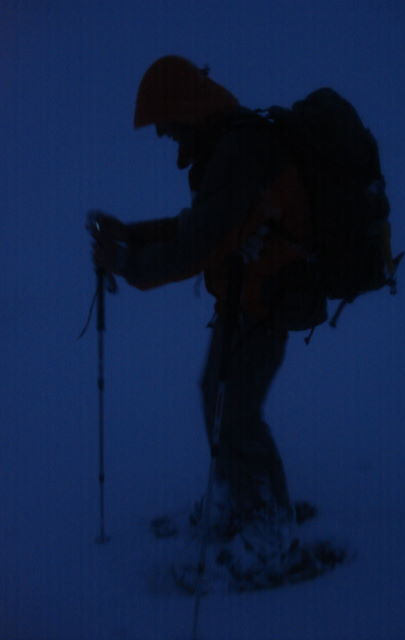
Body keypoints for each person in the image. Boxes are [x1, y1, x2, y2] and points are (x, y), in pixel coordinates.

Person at [89, 55, 324, 581]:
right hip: (244, 295)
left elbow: (194, 249)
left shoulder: (240, 149)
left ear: (187, 108)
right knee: (216, 396)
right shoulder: (227, 145)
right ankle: (236, 499)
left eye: (165, 123)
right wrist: (132, 234)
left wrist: (124, 261)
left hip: (267, 298)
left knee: (236, 412)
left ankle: (269, 535)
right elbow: (199, 226)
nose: (164, 135)